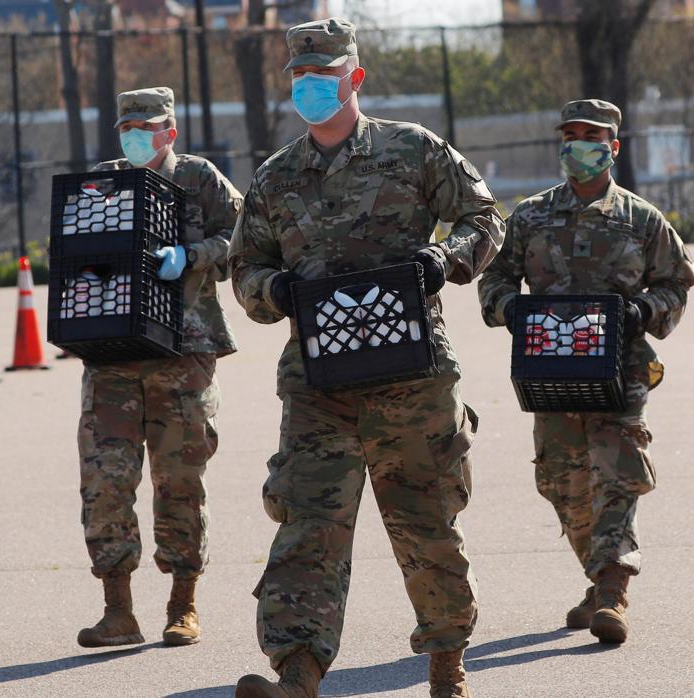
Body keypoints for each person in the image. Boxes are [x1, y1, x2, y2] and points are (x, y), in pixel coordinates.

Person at [227, 18, 503, 698]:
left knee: (423, 517)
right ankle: (297, 671)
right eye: (302, 77)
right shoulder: (276, 176)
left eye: (325, 75)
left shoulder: (413, 151)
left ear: (355, 77)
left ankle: (446, 663)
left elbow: (484, 217)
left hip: (412, 376)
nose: (313, 86)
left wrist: (446, 259)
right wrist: (274, 290)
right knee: (307, 525)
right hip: (320, 384)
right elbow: (244, 269)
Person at [477, 99, 694, 645]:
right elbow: (494, 281)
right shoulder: (528, 217)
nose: (579, 145)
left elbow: (676, 284)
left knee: (617, 475)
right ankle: (597, 577)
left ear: (613, 147)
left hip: (620, 371)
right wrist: (514, 310)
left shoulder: (642, 220)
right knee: (562, 482)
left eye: (591, 136)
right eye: (571, 135)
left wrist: (640, 311)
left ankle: (612, 593)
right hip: (548, 368)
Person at [76, 86, 242, 649]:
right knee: (105, 479)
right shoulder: (104, 179)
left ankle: (183, 604)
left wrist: (191, 255)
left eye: (145, 128)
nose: (133, 136)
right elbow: (77, 242)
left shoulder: (199, 179)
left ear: (169, 132)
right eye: (126, 127)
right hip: (113, 355)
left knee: (180, 480)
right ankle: (117, 610)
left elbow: (244, 238)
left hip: (184, 353)